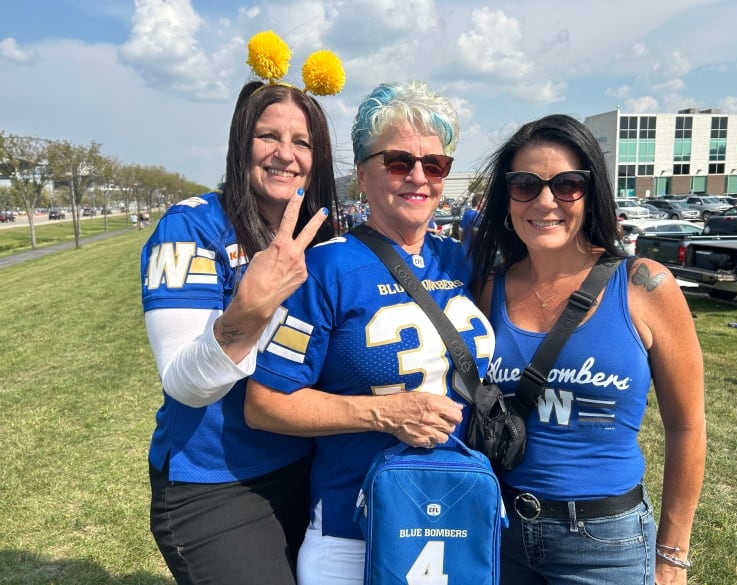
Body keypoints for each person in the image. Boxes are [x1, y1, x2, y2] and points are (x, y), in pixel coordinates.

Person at [244, 80, 495, 585]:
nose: (418, 177)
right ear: (362, 173)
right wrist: (381, 413)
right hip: (352, 530)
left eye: (435, 164)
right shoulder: (325, 268)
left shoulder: (463, 261)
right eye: (398, 162)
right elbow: (264, 402)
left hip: (458, 516)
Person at [140, 29, 343, 585]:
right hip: (214, 483)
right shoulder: (189, 227)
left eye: (302, 141)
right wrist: (246, 313)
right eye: (267, 136)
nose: (285, 154)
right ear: (240, 142)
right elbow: (184, 382)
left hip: (309, 464)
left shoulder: (324, 233)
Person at [469, 114, 706, 585]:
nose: (544, 201)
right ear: (506, 197)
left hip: (606, 543)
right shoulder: (486, 289)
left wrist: (672, 555)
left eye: (567, 185)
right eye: (524, 185)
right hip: (500, 530)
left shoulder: (644, 286)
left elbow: (687, 426)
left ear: (590, 191)